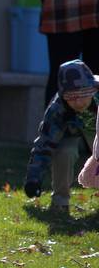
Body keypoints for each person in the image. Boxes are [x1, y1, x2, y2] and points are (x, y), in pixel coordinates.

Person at [24, 59, 98, 213]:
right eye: (72, 97)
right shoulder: (57, 109)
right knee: (65, 152)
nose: (78, 102)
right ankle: (60, 201)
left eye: (83, 94)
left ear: (92, 89)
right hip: (72, 135)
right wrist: (34, 179)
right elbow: (44, 144)